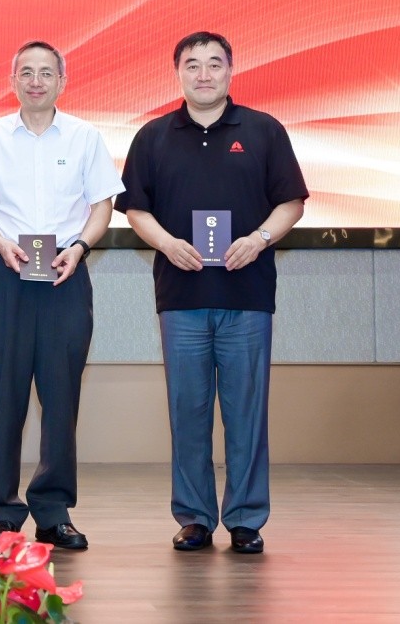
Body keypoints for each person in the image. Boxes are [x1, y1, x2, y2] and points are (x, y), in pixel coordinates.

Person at [117, 31, 307, 555]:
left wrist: (259, 239)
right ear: (178, 72)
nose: (204, 74)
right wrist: (167, 243)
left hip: (247, 295)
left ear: (230, 70)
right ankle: (194, 517)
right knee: (188, 412)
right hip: (180, 296)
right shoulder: (153, 136)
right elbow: (135, 210)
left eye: (214, 64)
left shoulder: (264, 130)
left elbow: (291, 202)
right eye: (192, 65)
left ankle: (245, 519)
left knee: (246, 413)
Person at [0, 40, 123, 551]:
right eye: (26, 72)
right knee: (4, 400)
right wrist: (0, 241)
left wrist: (80, 246)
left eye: (46, 72)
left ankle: (53, 512)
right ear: (12, 81)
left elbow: (102, 205)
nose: (35, 81)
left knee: (61, 398)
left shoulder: (85, 137)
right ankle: (4, 515)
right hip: (7, 276)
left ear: (61, 81)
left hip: (65, 276)